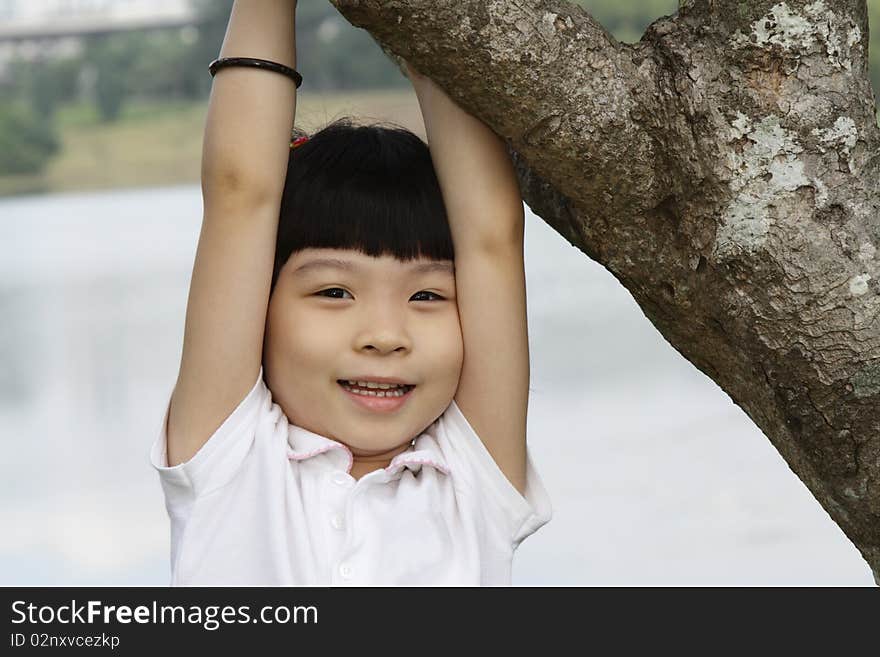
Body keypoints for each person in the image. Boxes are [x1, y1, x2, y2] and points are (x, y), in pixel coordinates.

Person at [150, 0, 551, 586]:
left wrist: (426, 20)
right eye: (336, 292)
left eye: (427, 297)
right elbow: (241, 195)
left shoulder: (472, 480)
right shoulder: (229, 460)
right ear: (258, 302)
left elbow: (490, 237)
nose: (385, 337)